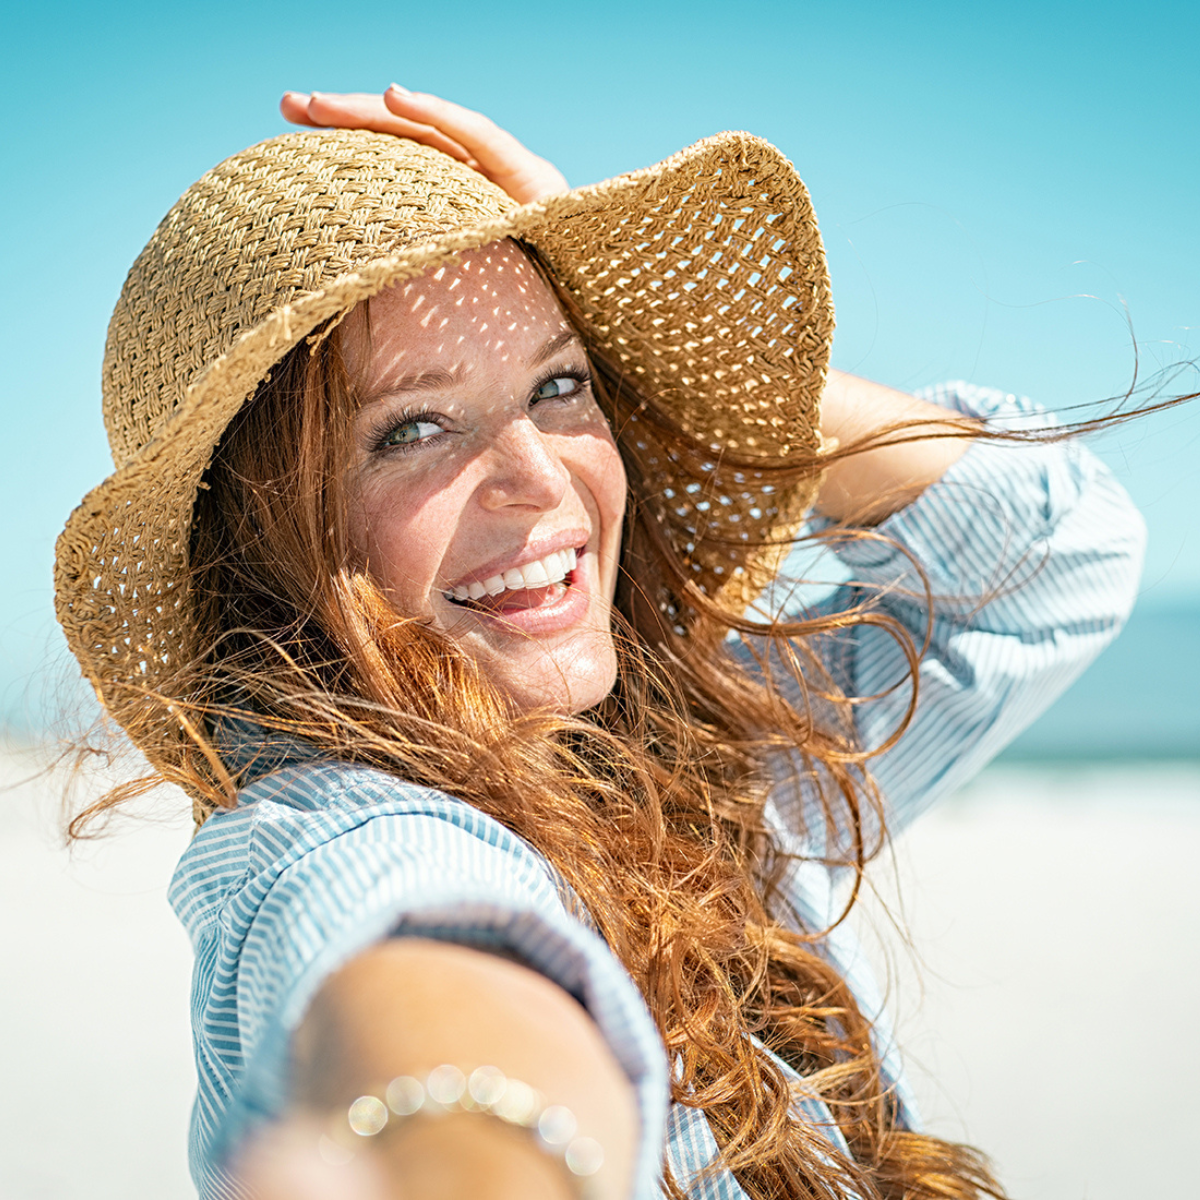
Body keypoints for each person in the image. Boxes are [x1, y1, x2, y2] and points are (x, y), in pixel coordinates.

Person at [54, 85, 1149, 1200]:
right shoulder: (333, 829)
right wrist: (466, 1147)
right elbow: (427, 967)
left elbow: (1061, 556)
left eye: (562, 383)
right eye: (414, 427)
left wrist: (677, 369)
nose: (541, 478)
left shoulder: (705, 765)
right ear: (267, 533)